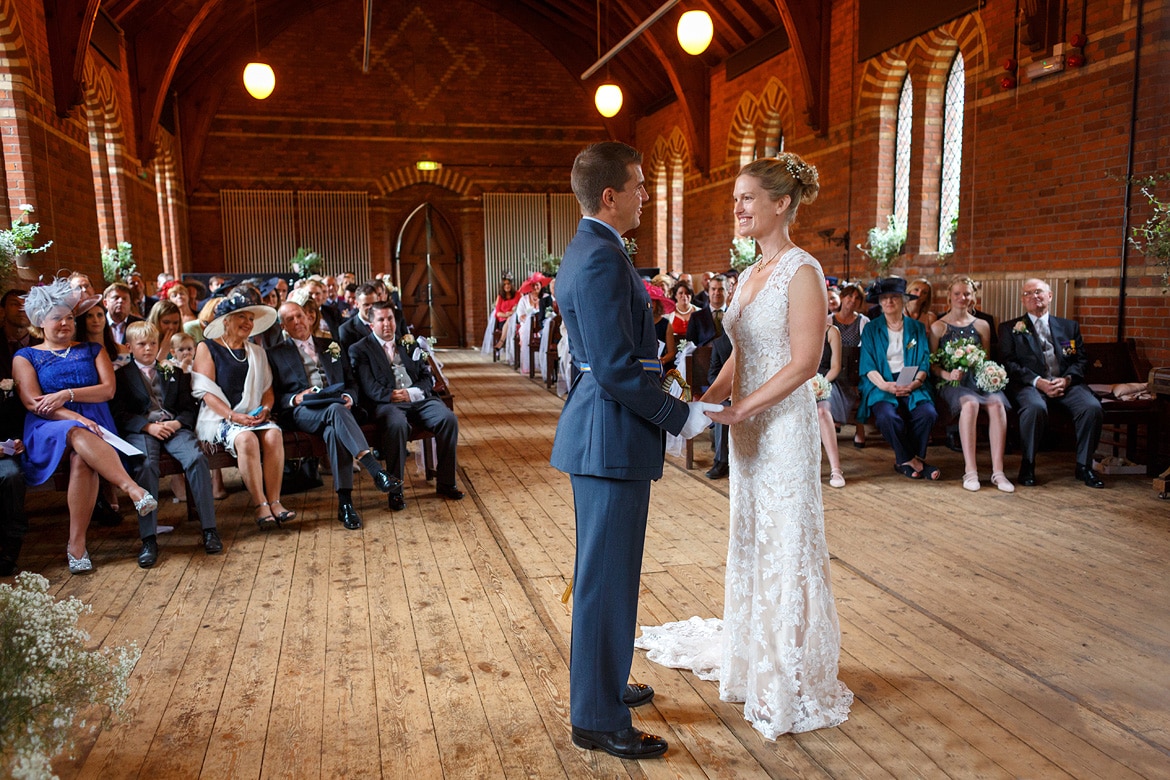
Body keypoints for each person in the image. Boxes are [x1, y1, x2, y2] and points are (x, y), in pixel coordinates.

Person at [636, 153, 852, 741]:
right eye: (736, 197)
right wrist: (703, 403)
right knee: (753, 537)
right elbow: (743, 351)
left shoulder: (801, 271)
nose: (737, 207)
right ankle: (755, 655)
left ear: (782, 204)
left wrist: (743, 410)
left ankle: (787, 674)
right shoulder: (753, 271)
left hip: (783, 430)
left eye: (747, 198)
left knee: (786, 541)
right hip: (750, 425)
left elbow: (805, 362)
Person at [549, 141, 717, 760]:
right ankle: (594, 717)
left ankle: (607, 683)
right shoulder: (597, 257)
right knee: (603, 580)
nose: (647, 194)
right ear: (610, 195)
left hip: (609, 434)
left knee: (614, 574)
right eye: (641, 186)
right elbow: (617, 370)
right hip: (606, 435)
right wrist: (679, 416)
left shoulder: (598, 248)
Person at [12, 278, 158, 573]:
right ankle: (133, 490)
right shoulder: (25, 356)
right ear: (41, 322)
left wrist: (68, 394)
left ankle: (76, 545)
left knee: (83, 461)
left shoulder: (92, 350)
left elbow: (107, 390)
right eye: (57, 318)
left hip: (96, 420)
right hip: (49, 425)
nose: (65, 323)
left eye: (69, 317)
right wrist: (75, 415)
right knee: (77, 432)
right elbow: (34, 403)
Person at [268, 302, 398, 529]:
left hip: (338, 408)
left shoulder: (330, 345)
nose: (297, 321)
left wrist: (349, 396)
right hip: (303, 412)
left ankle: (345, 505)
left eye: (299, 316)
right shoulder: (275, 354)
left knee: (334, 432)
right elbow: (274, 395)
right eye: (290, 319)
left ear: (309, 317)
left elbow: (350, 382)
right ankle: (376, 470)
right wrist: (295, 398)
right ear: (283, 326)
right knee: (335, 412)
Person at [114, 322, 223, 566]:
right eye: (142, 344)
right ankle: (149, 538)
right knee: (146, 465)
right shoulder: (121, 376)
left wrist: (176, 424)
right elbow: (119, 414)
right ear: (130, 347)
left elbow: (188, 408)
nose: (148, 348)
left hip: (173, 427)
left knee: (196, 459)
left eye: (153, 343)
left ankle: (209, 529)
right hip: (143, 430)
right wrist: (147, 426)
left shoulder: (172, 372)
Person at [192, 292, 293, 528]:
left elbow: (267, 390)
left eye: (251, 318)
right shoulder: (207, 348)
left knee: (274, 434)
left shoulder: (257, 352)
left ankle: (276, 501)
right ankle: (260, 505)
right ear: (225, 320)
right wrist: (233, 416)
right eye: (241, 317)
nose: (248, 323)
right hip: (219, 417)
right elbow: (204, 392)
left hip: (253, 414)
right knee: (246, 439)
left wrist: (266, 410)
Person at [350, 302, 463, 512]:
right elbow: (367, 386)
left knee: (448, 420)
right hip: (387, 404)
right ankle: (396, 491)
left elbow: (425, 377)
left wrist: (410, 393)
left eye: (390, 319)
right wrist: (392, 395)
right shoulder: (360, 349)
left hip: (417, 399)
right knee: (397, 426)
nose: (387, 324)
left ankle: (447, 483)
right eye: (381, 320)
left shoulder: (409, 343)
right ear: (371, 324)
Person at [998, 278, 1104, 488]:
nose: (1033, 296)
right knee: (1035, 408)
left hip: (1066, 384)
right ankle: (1027, 464)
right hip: (1030, 386)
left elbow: (1079, 360)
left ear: (1050, 296)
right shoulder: (1010, 328)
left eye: (1038, 292)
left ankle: (1084, 466)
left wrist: (1066, 380)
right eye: (1028, 293)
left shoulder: (1068, 327)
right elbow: (1008, 363)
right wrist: (1038, 382)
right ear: (1022, 300)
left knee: (1092, 408)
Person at [929, 277, 1014, 492]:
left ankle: (998, 472)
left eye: (966, 294)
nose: (962, 298)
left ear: (973, 296)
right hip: (953, 384)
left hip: (977, 380)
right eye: (957, 294)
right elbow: (932, 364)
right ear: (949, 296)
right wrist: (948, 374)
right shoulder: (938, 327)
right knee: (970, 405)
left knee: (996, 405)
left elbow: (985, 359)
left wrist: (991, 374)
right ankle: (971, 471)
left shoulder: (983, 325)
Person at [858, 277, 940, 480]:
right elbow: (867, 365)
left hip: (912, 381)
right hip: (881, 382)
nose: (889, 302)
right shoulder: (871, 328)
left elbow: (923, 361)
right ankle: (913, 462)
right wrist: (885, 386)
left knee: (927, 413)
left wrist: (915, 383)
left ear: (903, 300)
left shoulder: (916, 328)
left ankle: (907, 461)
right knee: (887, 416)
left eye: (894, 297)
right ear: (879, 302)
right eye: (884, 298)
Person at [831, 283, 870, 447]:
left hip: (855, 369)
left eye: (857, 298)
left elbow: (868, 351)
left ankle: (858, 428)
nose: (852, 300)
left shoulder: (863, 321)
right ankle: (833, 424)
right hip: (834, 368)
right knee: (828, 387)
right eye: (849, 296)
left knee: (859, 388)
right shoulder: (829, 319)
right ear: (842, 297)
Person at [817, 319, 846, 488]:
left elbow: (835, 367)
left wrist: (820, 385)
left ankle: (836, 469)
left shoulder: (831, 331)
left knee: (821, 411)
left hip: (827, 381)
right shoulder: (794, 328)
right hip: (799, 381)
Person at [685, 274, 729, 347]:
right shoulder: (696, 317)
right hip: (704, 356)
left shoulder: (735, 315)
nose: (717, 293)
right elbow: (689, 345)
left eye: (721, 289)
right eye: (713, 289)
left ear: (727, 291)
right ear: (708, 291)